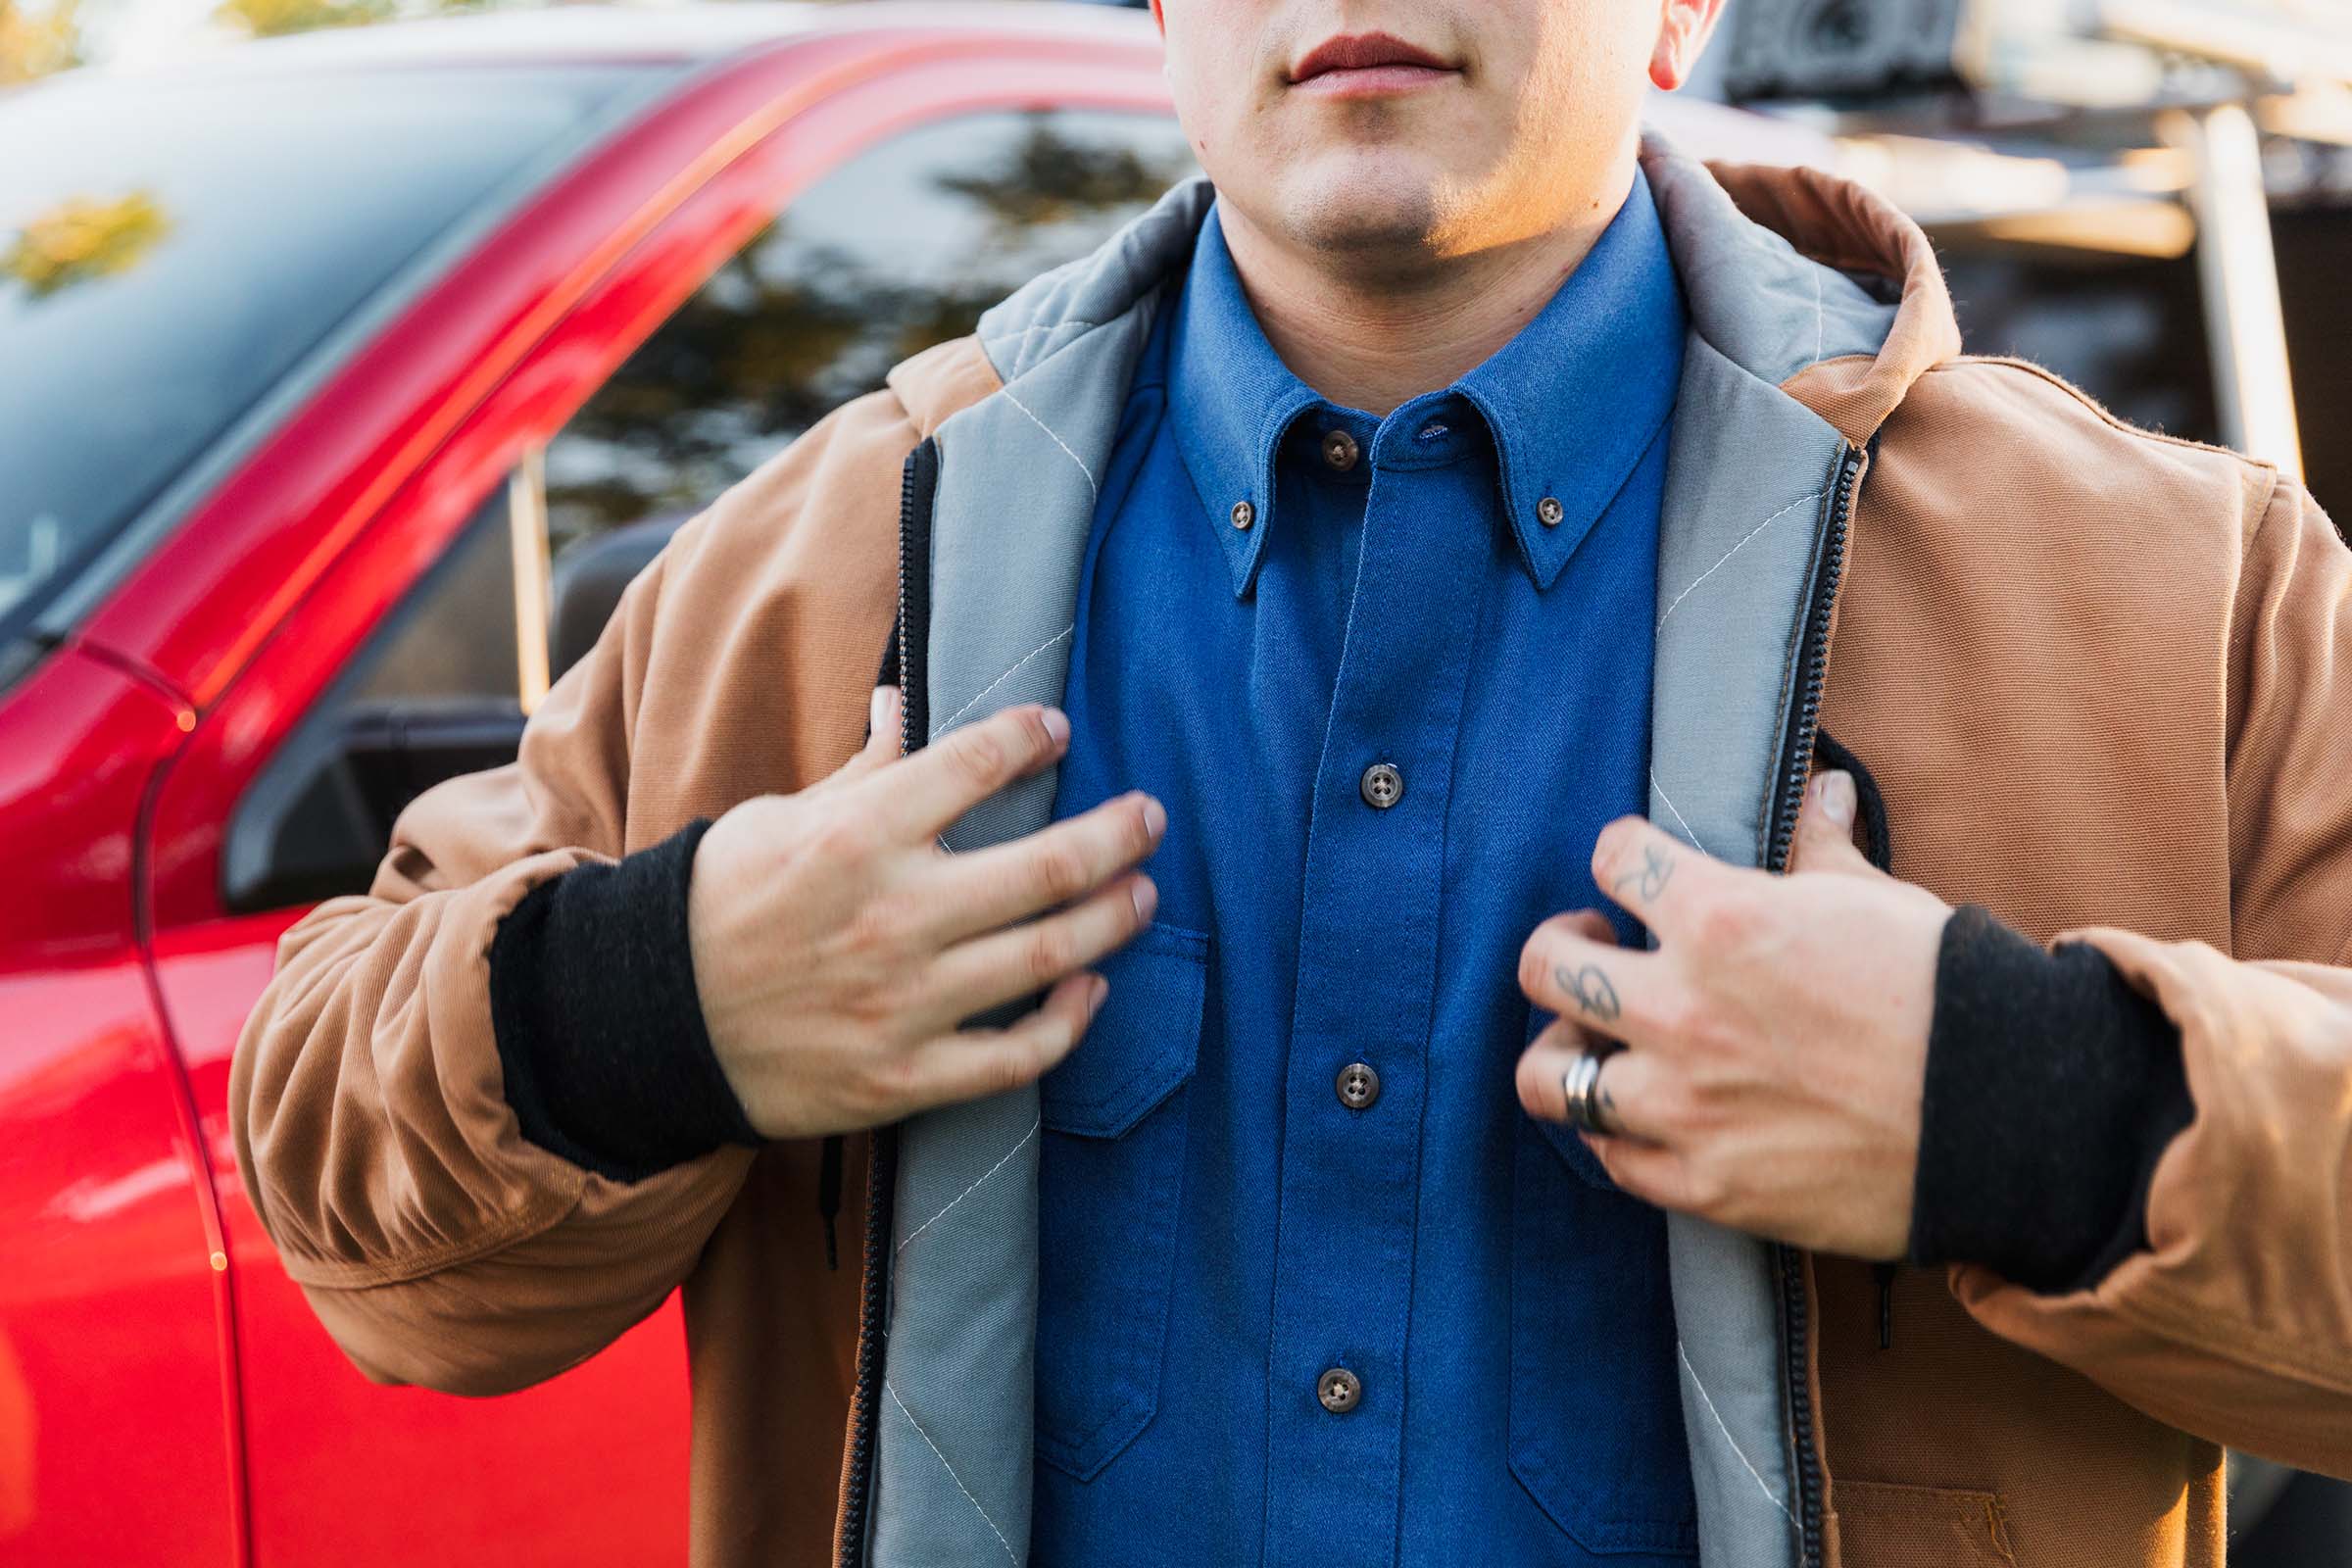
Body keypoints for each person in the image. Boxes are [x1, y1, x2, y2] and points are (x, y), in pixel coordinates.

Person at [231, 1, 2352, 1564]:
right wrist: (661, 992)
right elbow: (344, 1195)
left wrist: (2019, 1099)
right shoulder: (807, 572)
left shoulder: (2201, 595)